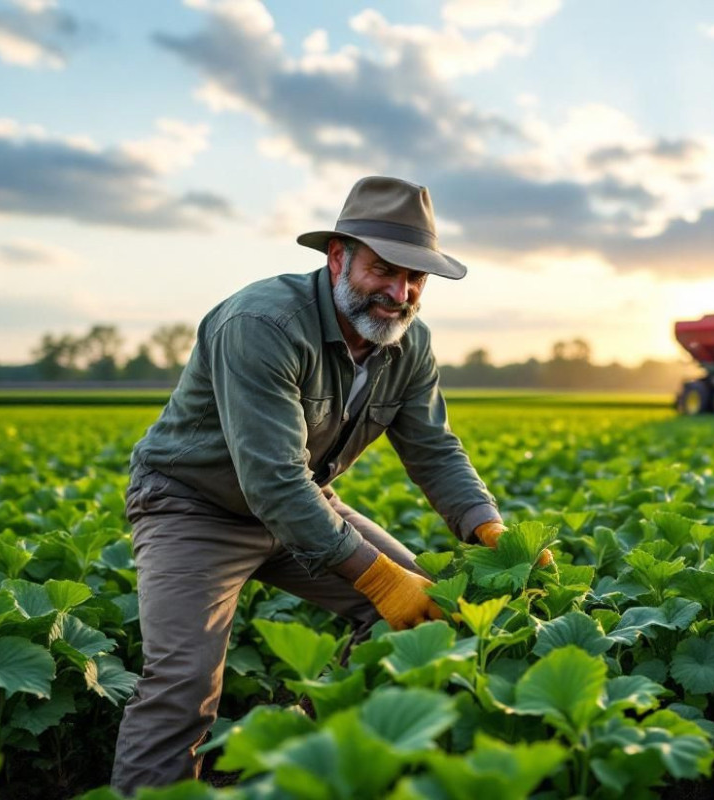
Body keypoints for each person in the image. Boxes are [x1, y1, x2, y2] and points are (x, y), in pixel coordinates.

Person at [109, 176, 549, 793]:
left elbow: (434, 449)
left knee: (422, 621)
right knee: (182, 683)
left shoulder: (409, 343)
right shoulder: (262, 323)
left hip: (304, 504)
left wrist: (489, 527)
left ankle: (282, 758)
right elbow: (273, 481)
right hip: (194, 507)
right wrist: (376, 576)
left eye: (415, 278)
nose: (399, 293)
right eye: (384, 270)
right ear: (337, 257)